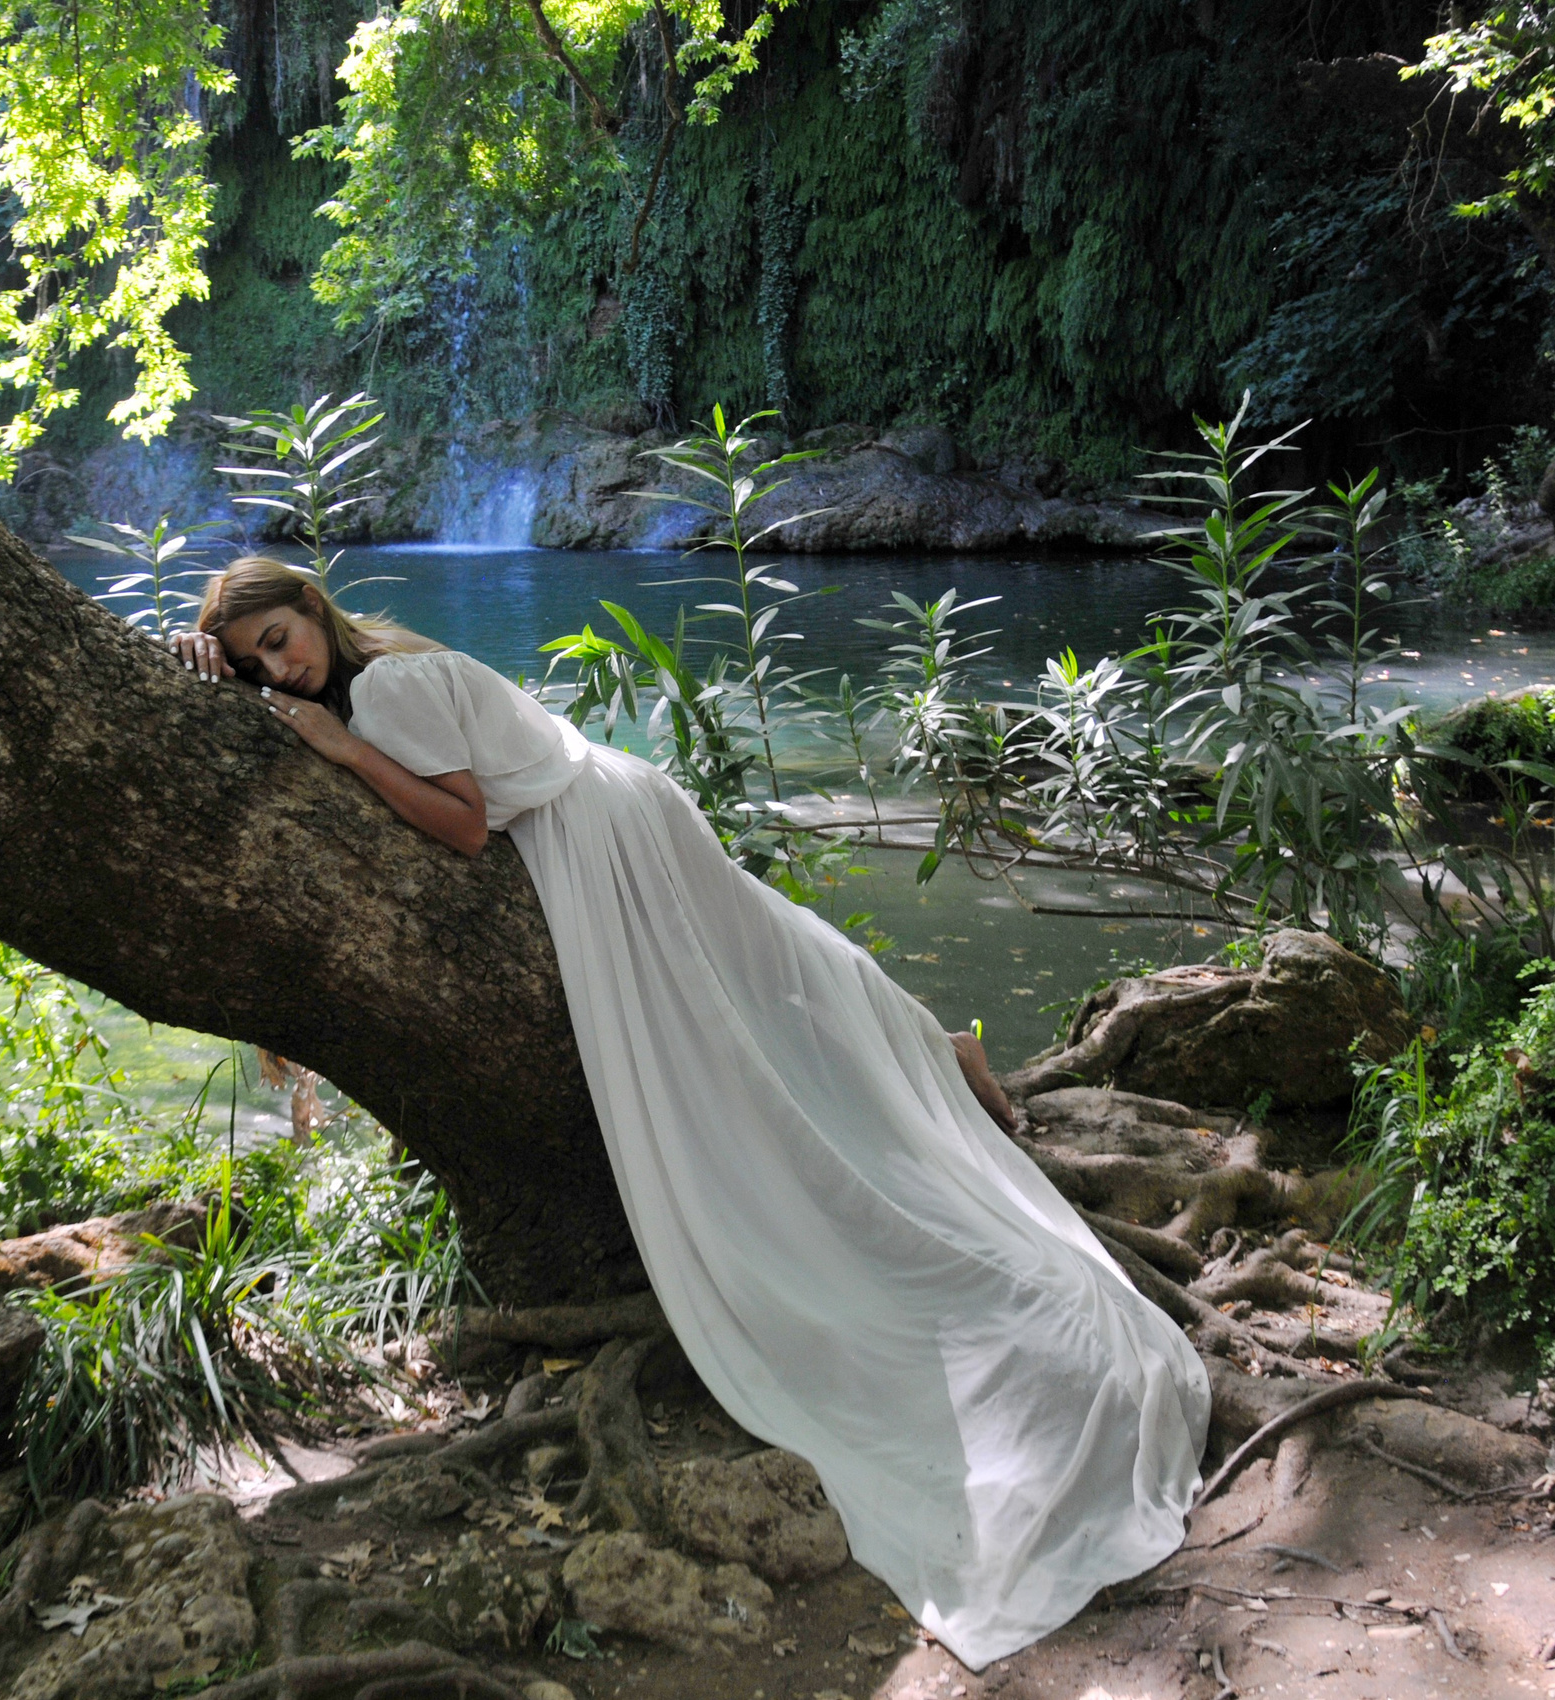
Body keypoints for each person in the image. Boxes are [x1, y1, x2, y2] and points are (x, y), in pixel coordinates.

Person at [173, 557, 1209, 1668]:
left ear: (311, 609)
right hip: (616, 806)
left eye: (282, 637)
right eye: (258, 661)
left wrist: (340, 750)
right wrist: (222, 682)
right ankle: (932, 1046)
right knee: (777, 965)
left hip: (598, 840)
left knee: (746, 1010)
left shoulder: (377, 697)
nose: (283, 663)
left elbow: (467, 827)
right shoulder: (381, 671)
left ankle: (931, 1056)